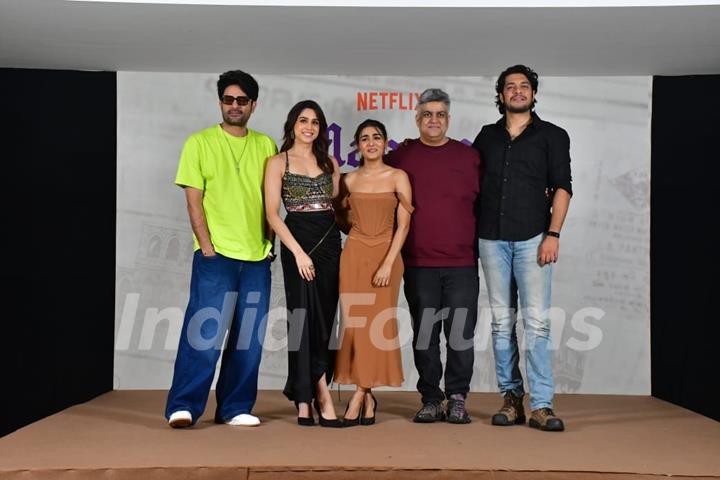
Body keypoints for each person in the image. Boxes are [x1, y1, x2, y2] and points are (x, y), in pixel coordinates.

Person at [165, 70, 277, 428]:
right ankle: (183, 406)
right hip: (216, 256)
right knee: (204, 333)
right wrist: (208, 248)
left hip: (257, 257)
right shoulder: (198, 143)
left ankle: (235, 407)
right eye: (228, 99)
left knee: (249, 339)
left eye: (241, 100)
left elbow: (270, 202)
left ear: (253, 105)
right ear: (220, 102)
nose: (234, 105)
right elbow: (193, 202)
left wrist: (268, 246)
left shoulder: (266, 145)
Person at [472, 65, 572, 432]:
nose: (517, 91)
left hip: (534, 238)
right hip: (490, 239)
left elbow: (562, 187)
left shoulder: (553, 136)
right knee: (501, 324)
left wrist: (553, 234)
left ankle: (542, 405)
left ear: (533, 93)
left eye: (524, 86)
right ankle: (511, 398)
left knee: (538, 324)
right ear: (500, 95)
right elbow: (474, 187)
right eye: (510, 87)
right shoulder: (486, 137)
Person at [387, 89, 482, 424]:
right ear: (417, 118)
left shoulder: (469, 157)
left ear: (448, 119)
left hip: (462, 264)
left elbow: (486, 204)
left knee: (459, 336)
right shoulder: (401, 157)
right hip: (418, 263)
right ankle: (431, 397)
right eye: (427, 114)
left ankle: (457, 398)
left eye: (440, 114)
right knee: (425, 337)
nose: (433, 120)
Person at [264, 100, 343, 428]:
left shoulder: (330, 161)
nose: (309, 126)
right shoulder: (277, 162)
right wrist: (297, 252)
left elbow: (336, 205)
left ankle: (304, 394)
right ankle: (315, 396)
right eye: (303, 120)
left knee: (325, 318)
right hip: (298, 242)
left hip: (330, 242)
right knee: (302, 319)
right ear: (292, 125)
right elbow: (272, 214)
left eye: (315, 122)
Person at [334, 119, 413, 427]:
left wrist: (387, 263)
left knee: (376, 326)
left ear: (385, 142)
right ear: (357, 145)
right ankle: (367, 396)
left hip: (386, 256)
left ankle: (358, 395)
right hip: (353, 255)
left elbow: (404, 225)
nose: (370, 142)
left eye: (376, 137)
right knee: (356, 327)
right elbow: (342, 219)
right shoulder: (349, 180)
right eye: (364, 138)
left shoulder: (398, 177)